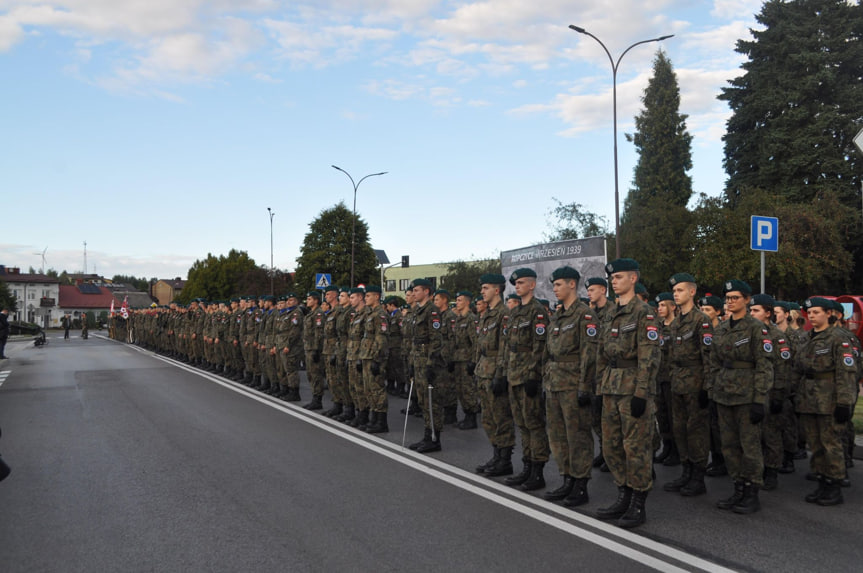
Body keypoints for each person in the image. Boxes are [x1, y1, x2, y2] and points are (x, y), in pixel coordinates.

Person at [595, 258, 660, 529]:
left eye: (619, 277)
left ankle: (638, 501)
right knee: (611, 446)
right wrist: (599, 387)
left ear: (633, 278)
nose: (614, 281)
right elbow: (601, 353)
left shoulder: (644, 312)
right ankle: (623, 494)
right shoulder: (610, 313)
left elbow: (649, 355)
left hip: (633, 386)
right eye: (612, 278)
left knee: (636, 447)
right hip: (611, 386)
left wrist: (641, 393)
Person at [708, 280, 773, 515]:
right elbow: (713, 362)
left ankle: (752, 491)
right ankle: (738, 487)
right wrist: (712, 392)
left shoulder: (756, 328)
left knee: (750, 446)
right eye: (727, 297)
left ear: (746, 300)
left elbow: (765, 365)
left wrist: (759, 399)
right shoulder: (721, 329)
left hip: (747, 396)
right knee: (729, 445)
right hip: (724, 395)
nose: (730, 301)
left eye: (735, 297)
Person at [542, 266, 596, 506]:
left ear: (572, 284)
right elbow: (548, 352)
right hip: (554, 383)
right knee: (557, 436)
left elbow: (589, 354)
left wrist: (585, 387)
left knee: (578, 436)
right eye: (553, 285)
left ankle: (580, 484)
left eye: (558, 285)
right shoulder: (557, 316)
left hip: (573, 384)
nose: (554, 289)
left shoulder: (584, 315)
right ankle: (566, 479)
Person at [795, 297, 857, 505]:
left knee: (831, 444)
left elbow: (846, 373)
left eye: (816, 312)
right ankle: (822, 481)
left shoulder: (838, 339)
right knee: (816, 444)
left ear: (828, 314)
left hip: (829, 399)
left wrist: (844, 403)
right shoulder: (807, 338)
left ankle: (835, 484)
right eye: (810, 313)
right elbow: (799, 368)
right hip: (809, 398)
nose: (812, 316)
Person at [500, 268, 550, 491]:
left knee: (534, 424)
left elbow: (539, 347)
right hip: (514, 375)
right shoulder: (515, 312)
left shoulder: (537, 312)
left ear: (532, 285)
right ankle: (527, 466)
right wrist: (504, 373)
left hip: (528, 376)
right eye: (515, 283)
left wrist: (533, 376)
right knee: (522, 424)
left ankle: (538, 471)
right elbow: (509, 346)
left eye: (521, 283)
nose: (517, 286)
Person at [664, 274, 714, 497]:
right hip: (677, 381)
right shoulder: (676, 324)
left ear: (692, 292)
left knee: (696, 430)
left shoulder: (701, 320)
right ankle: (686, 470)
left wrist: (706, 386)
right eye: (674, 291)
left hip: (695, 381)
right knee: (680, 429)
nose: (676, 294)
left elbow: (709, 356)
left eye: (680, 290)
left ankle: (698, 476)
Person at [474, 274, 517, 475]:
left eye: (486, 288)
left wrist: (501, 374)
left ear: (497, 290)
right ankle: (496, 454)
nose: (482, 292)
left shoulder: (504, 314)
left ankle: (505, 460)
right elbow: (480, 344)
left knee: (501, 417)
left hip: (494, 371)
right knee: (488, 417)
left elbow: (504, 347)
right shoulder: (487, 314)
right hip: (483, 369)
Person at [408, 279, 446, 453]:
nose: (414, 293)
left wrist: (431, 364)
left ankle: (434, 438)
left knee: (432, 401)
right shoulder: (417, 311)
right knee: (423, 399)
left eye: (417, 290)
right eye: (413, 291)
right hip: (418, 359)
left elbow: (436, 340)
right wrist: (411, 363)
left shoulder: (432, 311)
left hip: (427, 360)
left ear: (426, 291)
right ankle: (426, 435)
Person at [302, 291, 326, 410]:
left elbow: (319, 333)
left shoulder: (318, 314)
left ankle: (317, 399)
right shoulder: (310, 314)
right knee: (310, 374)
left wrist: (317, 349)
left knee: (316, 374)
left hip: (314, 348)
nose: (308, 301)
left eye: (310, 299)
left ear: (316, 300)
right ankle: (314, 397)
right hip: (309, 347)